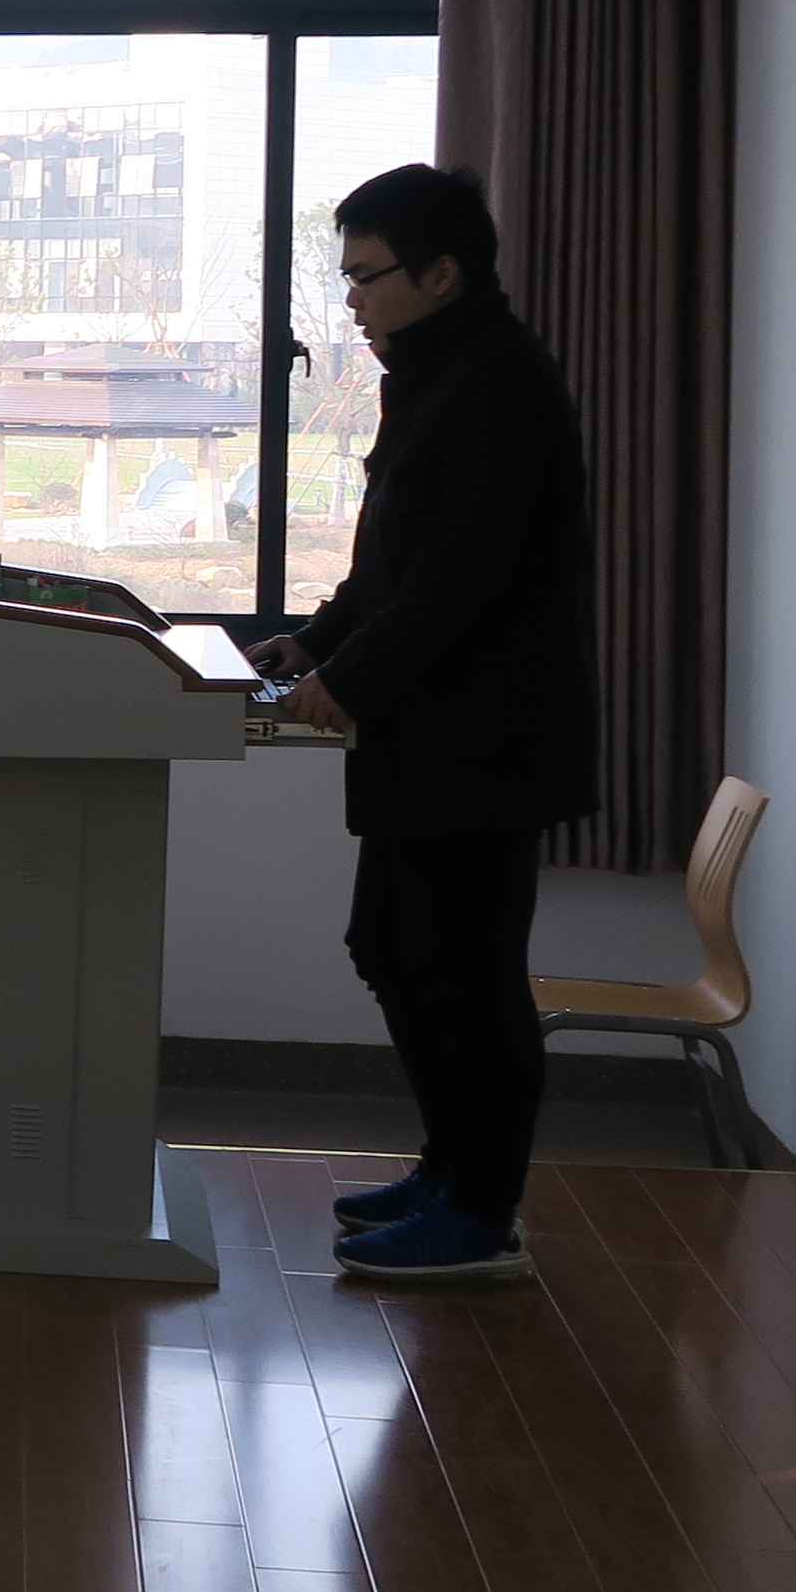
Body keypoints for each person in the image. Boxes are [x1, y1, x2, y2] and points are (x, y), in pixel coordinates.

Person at [243, 162, 597, 1288]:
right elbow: (391, 561)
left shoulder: (502, 388)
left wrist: (354, 679)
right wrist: (318, 644)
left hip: (482, 742)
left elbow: (460, 577)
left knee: (470, 973)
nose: (350, 300)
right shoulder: (432, 376)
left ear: (443, 274)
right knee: (394, 949)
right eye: (346, 278)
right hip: (424, 732)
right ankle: (449, 1170)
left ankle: (482, 1213)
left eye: (367, 277)